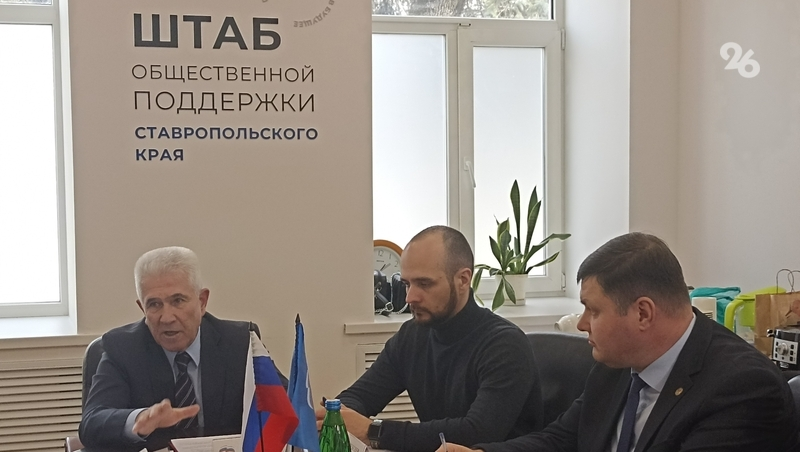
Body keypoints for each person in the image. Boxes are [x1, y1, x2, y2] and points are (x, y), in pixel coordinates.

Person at [440, 232, 800, 452]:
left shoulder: (742, 389)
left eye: (593, 310)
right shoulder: (618, 364)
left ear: (642, 313)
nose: (582, 324)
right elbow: (561, 440)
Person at [320, 226, 543, 452]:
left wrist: (372, 431)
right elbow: (361, 396)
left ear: (463, 280)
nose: (410, 297)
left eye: (424, 284)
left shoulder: (505, 346)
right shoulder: (412, 336)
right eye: (406, 284)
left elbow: (476, 433)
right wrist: (334, 414)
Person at [79, 246, 278, 449]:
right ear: (142, 308)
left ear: (202, 302)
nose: (167, 318)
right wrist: (139, 419)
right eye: (154, 304)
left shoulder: (240, 343)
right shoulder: (123, 348)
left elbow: (281, 403)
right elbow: (92, 423)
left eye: (178, 301)